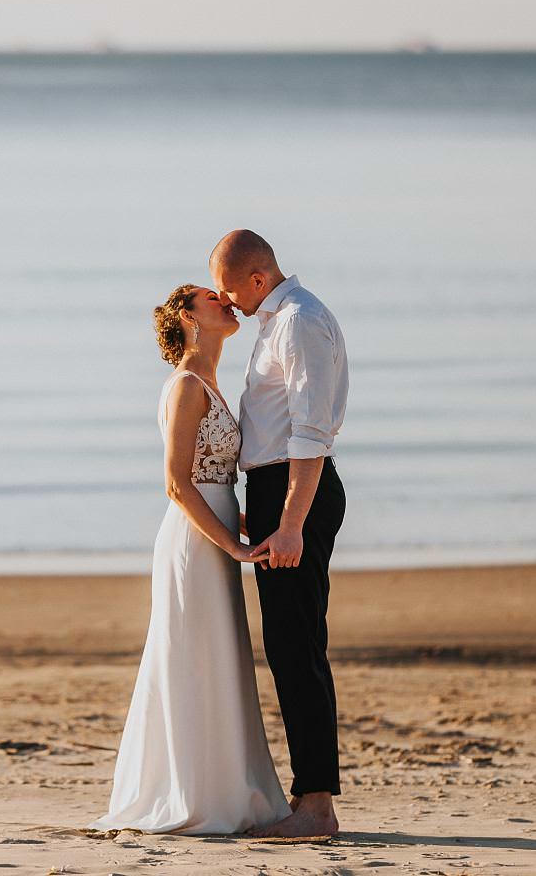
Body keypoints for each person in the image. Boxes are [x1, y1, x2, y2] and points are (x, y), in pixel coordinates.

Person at [91, 283, 291, 836]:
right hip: (194, 546)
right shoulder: (185, 386)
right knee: (194, 659)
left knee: (218, 660)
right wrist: (235, 546)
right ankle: (190, 795)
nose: (226, 301)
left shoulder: (211, 384)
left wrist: (253, 527)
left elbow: (215, 479)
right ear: (187, 315)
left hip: (218, 536)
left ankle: (226, 788)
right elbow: (178, 486)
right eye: (212, 297)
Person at [210, 229, 349, 839]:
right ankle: (309, 799)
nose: (226, 301)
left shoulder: (297, 322)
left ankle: (316, 806)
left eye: (229, 289)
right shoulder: (276, 320)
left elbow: (310, 432)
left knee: (297, 650)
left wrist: (290, 521)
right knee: (290, 648)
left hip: (298, 493)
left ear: (258, 280)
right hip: (277, 493)